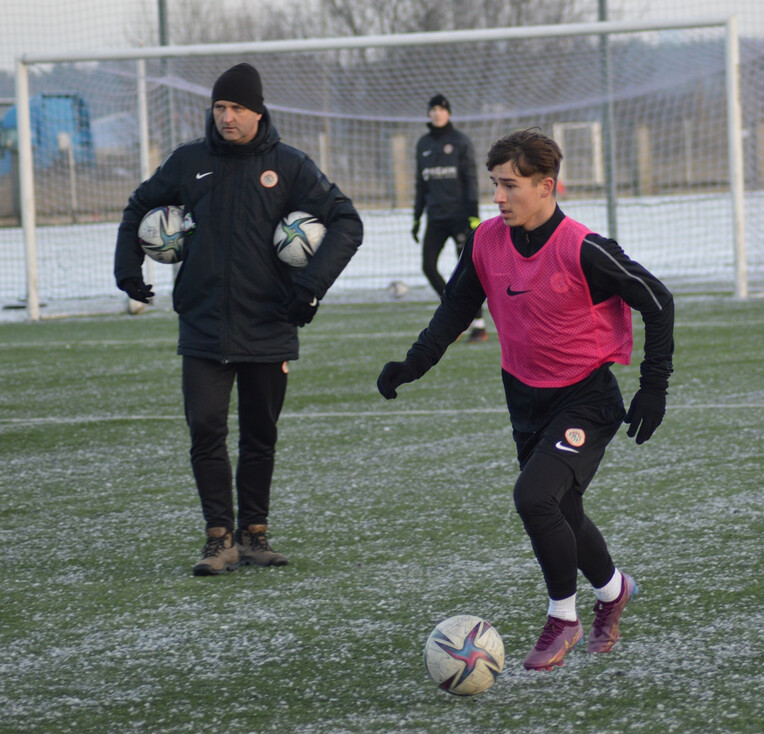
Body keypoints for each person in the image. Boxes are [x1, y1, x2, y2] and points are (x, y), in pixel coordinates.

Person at [379, 129, 674, 670]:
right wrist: (414, 363)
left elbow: (657, 299)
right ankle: (613, 594)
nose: (497, 197)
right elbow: (454, 309)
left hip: (586, 398)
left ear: (546, 186)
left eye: (509, 185)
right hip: (524, 399)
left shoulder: (583, 247)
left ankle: (563, 617)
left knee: (534, 498)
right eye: (494, 184)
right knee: (561, 508)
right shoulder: (486, 241)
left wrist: (654, 386)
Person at [114, 63, 363, 575]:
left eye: (237, 109)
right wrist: (128, 269)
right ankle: (218, 539)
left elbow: (347, 222)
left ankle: (254, 535)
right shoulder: (189, 161)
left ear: (258, 112)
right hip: (203, 323)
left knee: (259, 433)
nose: (227, 117)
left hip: (269, 322)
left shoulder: (289, 166)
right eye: (220, 108)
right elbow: (139, 205)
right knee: (205, 429)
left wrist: (311, 287)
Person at [411, 93, 487, 342]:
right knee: (428, 267)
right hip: (436, 218)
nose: (436, 113)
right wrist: (416, 217)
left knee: (466, 272)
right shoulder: (423, 144)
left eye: (441, 109)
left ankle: (478, 325)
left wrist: (473, 217)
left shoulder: (461, 142)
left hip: (459, 217)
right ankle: (457, 313)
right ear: (429, 114)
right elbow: (420, 185)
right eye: (432, 109)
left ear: (449, 113)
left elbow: (471, 181)